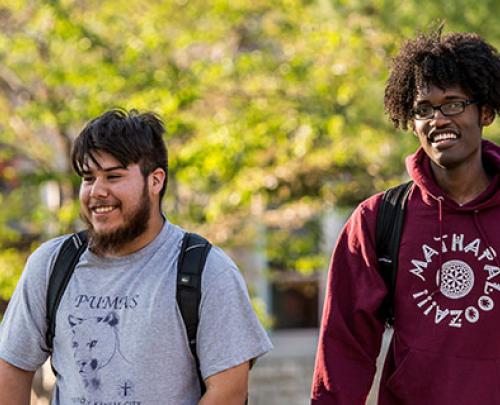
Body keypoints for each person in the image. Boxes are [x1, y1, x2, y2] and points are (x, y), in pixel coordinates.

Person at [0, 109, 273, 404]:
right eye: (88, 178)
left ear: (155, 181)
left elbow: (230, 391)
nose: (97, 191)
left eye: (113, 176)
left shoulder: (206, 270)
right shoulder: (52, 264)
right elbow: (12, 366)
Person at [311, 28, 500, 404]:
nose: (438, 119)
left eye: (453, 103)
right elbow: (344, 347)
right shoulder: (378, 220)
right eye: (424, 109)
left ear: (486, 112)